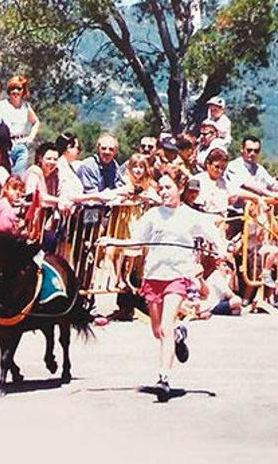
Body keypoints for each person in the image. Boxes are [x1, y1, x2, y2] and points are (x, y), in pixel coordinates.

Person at [100, 170, 228, 402]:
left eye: (168, 187)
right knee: (158, 330)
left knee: (166, 327)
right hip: (153, 276)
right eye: (161, 188)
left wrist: (221, 249)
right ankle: (179, 335)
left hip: (178, 276)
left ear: (180, 188)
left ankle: (164, 378)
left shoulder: (191, 216)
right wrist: (113, 242)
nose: (164, 192)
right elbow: (137, 243)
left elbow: (214, 235)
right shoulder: (152, 215)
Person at [0, 75, 40, 175]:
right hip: (5, 145)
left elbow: (36, 122)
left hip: (21, 145)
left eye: (19, 88)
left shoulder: (26, 106)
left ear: (23, 91)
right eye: (13, 88)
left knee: (19, 175)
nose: (16, 91)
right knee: (5, 173)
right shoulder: (2, 105)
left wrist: (30, 138)